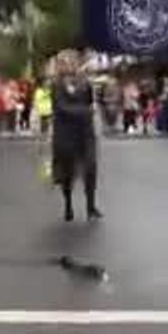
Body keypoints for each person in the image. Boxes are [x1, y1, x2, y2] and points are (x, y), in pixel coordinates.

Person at [51, 49, 101, 222]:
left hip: (85, 133)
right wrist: (86, 111)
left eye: (72, 61)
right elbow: (62, 108)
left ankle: (91, 207)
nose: (69, 65)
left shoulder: (85, 83)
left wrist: (90, 113)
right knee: (67, 174)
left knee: (91, 167)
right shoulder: (56, 85)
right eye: (64, 62)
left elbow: (91, 103)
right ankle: (68, 203)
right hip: (65, 135)